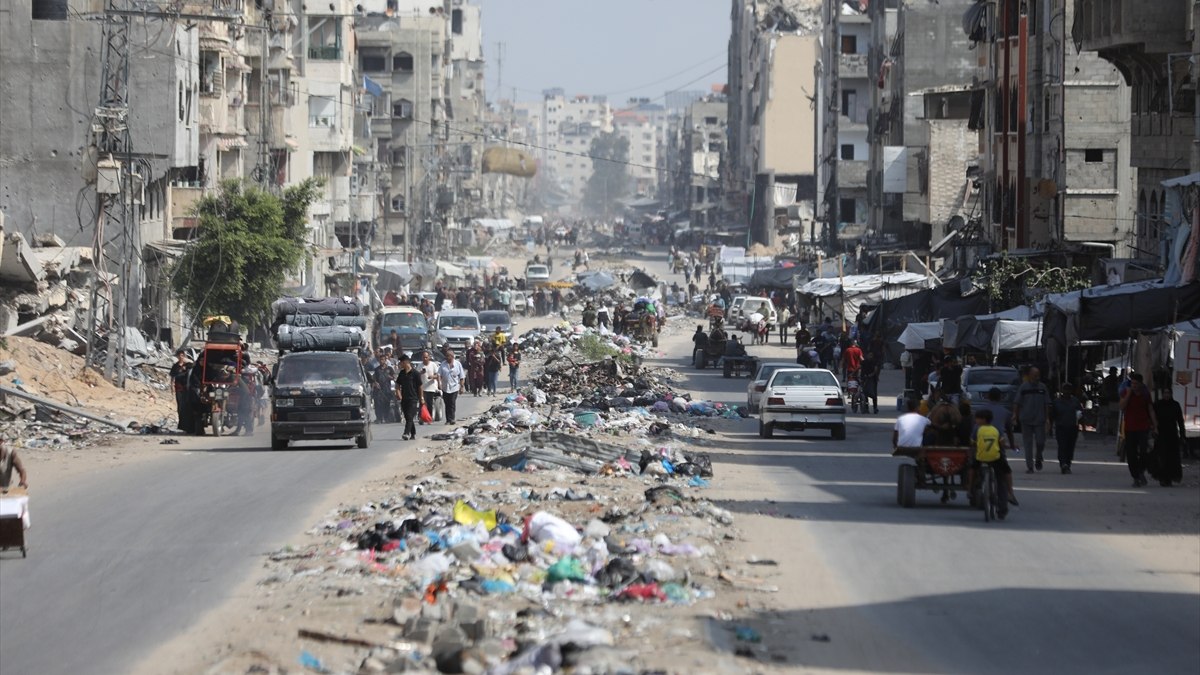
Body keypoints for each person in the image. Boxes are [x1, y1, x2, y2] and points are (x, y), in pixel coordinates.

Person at [970, 408, 1017, 515]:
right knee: (1005, 473)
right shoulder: (996, 429)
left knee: (972, 469)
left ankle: (970, 488)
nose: (975, 420)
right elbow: (1002, 444)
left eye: (977, 418)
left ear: (983, 419)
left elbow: (972, 443)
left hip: (980, 457)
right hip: (995, 458)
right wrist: (1010, 446)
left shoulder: (976, 429)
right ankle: (1010, 493)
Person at [1120, 372, 1157, 487]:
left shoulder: (1145, 394)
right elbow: (1122, 406)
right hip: (1130, 428)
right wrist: (1129, 394)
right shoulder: (1126, 392)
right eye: (1132, 383)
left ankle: (1140, 471)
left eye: (1136, 383)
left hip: (1143, 427)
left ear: (1141, 384)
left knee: (1143, 452)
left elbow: (1151, 410)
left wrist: (1155, 425)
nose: (1134, 385)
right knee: (1131, 454)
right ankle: (1135, 477)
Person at [1014, 367, 1051, 473]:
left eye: (1038, 375)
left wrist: (1047, 418)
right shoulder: (1023, 387)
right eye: (1035, 375)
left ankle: (1038, 457)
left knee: (1040, 442)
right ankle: (1030, 466)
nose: (1037, 377)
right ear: (1029, 375)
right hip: (1026, 419)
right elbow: (1017, 402)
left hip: (1039, 419)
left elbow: (1046, 403)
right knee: (1028, 443)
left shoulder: (1042, 387)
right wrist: (1014, 415)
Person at [1151, 387, 1186, 486]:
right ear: (1162, 394)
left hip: (1172, 435)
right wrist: (1153, 429)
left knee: (1172, 457)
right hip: (1161, 434)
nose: (1167, 395)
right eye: (1165, 393)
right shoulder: (1158, 405)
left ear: (1171, 394)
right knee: (1161, 457)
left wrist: (1182, 435)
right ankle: (1162, 477)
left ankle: (1169, 478)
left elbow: (1180, 421)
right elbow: (1152, 418)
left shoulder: (1175, 405)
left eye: (1168, 393)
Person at [1051, 384, 1083, 473]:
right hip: (1061, 427)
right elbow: (1052, 415)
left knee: (1070, 447)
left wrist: (1081, 423)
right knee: (1062, 446)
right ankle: (1063, 463)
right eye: (1065, 389)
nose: (1066, 392)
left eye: (1068, 390)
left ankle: (1068, 463)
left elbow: (1080, 413)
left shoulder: (1075, 401)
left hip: (1073, 427)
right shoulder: (1057, 402)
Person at [395, 353, 424, 440]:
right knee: (408, 417)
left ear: (406, 362)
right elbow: (397, 384)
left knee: (410, 415)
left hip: (413, 398)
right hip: (404, 398)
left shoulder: (415, 373)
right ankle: (413, 433)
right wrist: (398, 393)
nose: (400, 364)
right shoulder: (402, 373)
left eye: (401, 362)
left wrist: (421, 398)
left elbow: (420, 386)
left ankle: (406, 433)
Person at [979, 387, 1017, 452]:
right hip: (998, 443)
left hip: (982, 441)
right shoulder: (1006, 412)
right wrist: (1012, 445)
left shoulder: (980, 410)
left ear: (988, 397)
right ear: (1000, 397)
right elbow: (1009, 432)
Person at [438, 349, 466, 425]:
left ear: (452, 356)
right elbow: (439, 375)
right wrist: (439, 384)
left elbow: (462, 377)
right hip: (445, 387)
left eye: (448, 356)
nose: (447, 357)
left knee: (452, 403)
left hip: (454, 387)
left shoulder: (458, 364)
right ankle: (448, 420)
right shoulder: (443, 364)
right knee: (447, 403)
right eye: (446, 356)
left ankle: (452, 418)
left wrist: (461, 387)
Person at [170, 350, 193, 432]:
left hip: (187, 389)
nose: (181, 357)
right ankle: (182, 425)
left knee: (187, 407)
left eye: (182, 355)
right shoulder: (175, 366)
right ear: (177, 356)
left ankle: (189, 426)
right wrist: (172, 388)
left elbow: (194, 367)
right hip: (179, 389)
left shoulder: (188, 365)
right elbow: (172, 378)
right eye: (179, 355)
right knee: (180, 407)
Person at [419, 351, 441, 423]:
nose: (425, 359)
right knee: (422, 404)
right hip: (422, 388)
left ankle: (429, 418)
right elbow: (416, 376)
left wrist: (432, 376)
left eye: (426, 357)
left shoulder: (433, 365)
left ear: (429, 357)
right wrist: (420, 373)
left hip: (431, 387)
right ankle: (421, 418)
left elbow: (438, 375)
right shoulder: (420, 366)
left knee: (429, 404)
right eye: (423, 357)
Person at [1100, 366, 1121, 435]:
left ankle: (1112, 429)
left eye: (1115, 372)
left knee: (1114, 416)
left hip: (1115, 399)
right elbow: (1104, 390)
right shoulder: (1108, 379)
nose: (1115, 373)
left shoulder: (1116, 379)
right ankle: (1110, 429)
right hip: (1109, 400)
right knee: (1110, 416)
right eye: (1114, 372)